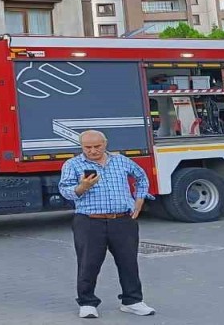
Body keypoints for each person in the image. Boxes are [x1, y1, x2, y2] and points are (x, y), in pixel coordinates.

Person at [58, 130, 156, 319]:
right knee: (89, 263)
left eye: (97, 146)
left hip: (122, 219)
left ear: (105, 144)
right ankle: (87, 303)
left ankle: (132, 301)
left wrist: (140, 199)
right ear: (81, 146)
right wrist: (82, 187)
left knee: (128, 262)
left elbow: (141, 177)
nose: (93, 151)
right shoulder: (73, 164)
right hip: (89, 221)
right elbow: (65, 190)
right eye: (88, 147)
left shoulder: (121, 160)